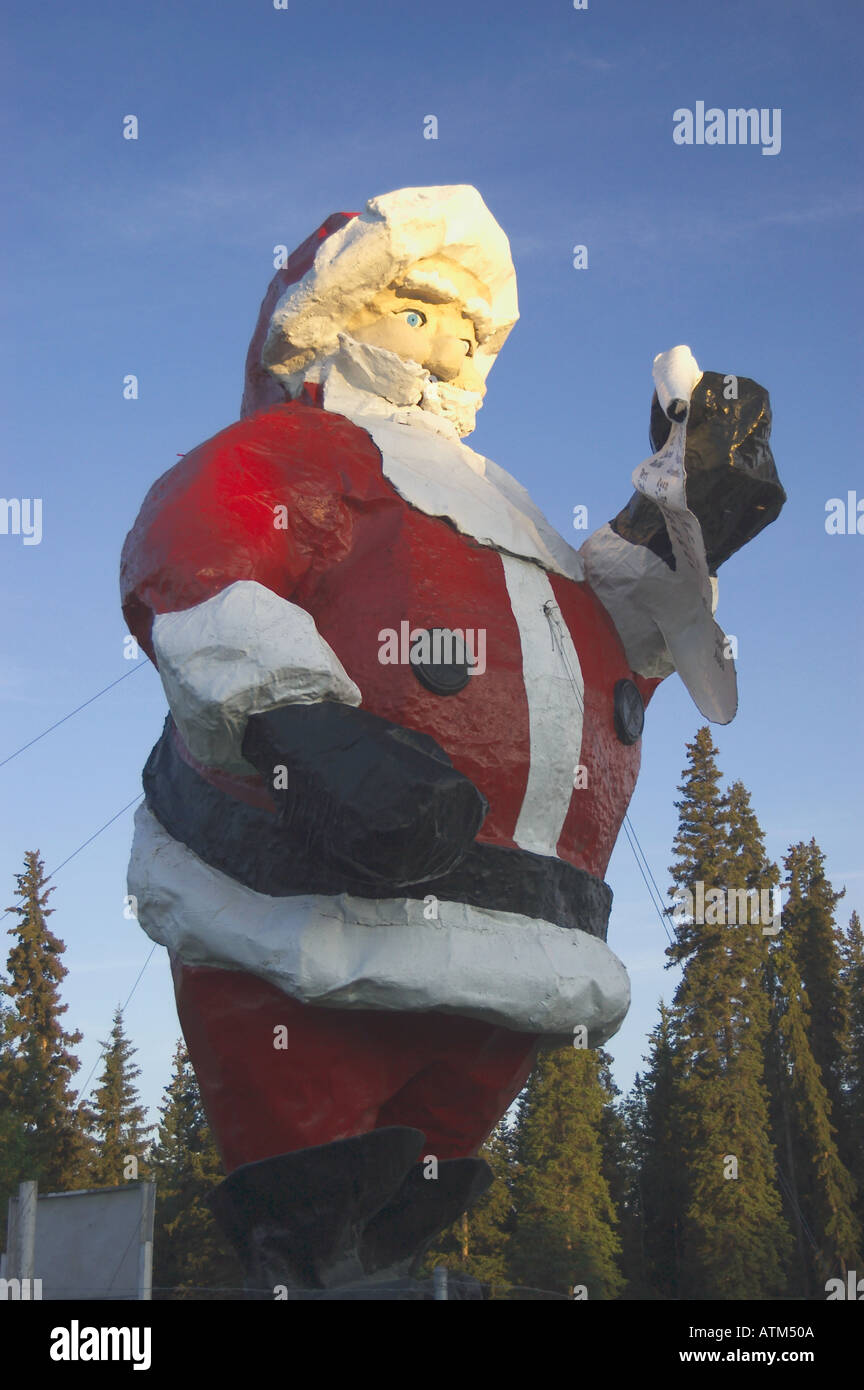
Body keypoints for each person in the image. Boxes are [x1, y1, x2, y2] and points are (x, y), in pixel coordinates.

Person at [121, 184, 785, 1296]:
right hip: (313, 887)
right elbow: (204, 545)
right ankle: (304, 1223)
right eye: (418, 314)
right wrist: (305, 729)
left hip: (525, 910)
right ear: (332, 322)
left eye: (466, 331)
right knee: (311, 1116)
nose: (445, 350)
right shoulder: (307, 454)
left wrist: (691, 512)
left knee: (452, 1112)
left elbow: (602, 626)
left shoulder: (504, 504)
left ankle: (400, 1219)